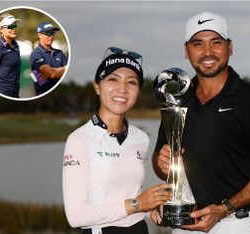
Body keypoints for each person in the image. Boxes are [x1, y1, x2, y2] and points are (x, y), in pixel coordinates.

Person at [153, 11, 250, 234]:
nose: (207, 52)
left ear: (230, 47)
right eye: (198, 44)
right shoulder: (177, 100)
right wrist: (161, 164)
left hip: (237, 223)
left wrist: (224, 208)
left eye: (216, 42)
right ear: (186, 51)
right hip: (186, 225)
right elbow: (162, 167)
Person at [63, 47, 172, 234]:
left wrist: (150, 210)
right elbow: (76, 216)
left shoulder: (141, 138)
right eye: (113, 79)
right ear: (97, 86)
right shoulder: (79, 139)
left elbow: (127, 195)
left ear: (138, 91)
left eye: (131, 82)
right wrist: (138, 204)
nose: (122, 89)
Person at [30, 21, 67, 96]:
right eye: (48, 33)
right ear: (39, 35)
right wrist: (64, 69)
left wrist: (57, 71)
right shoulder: (36, 54)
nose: (51, 36)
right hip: (43, 96)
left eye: (52, 33)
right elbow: (52, 74)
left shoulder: (59, 53)